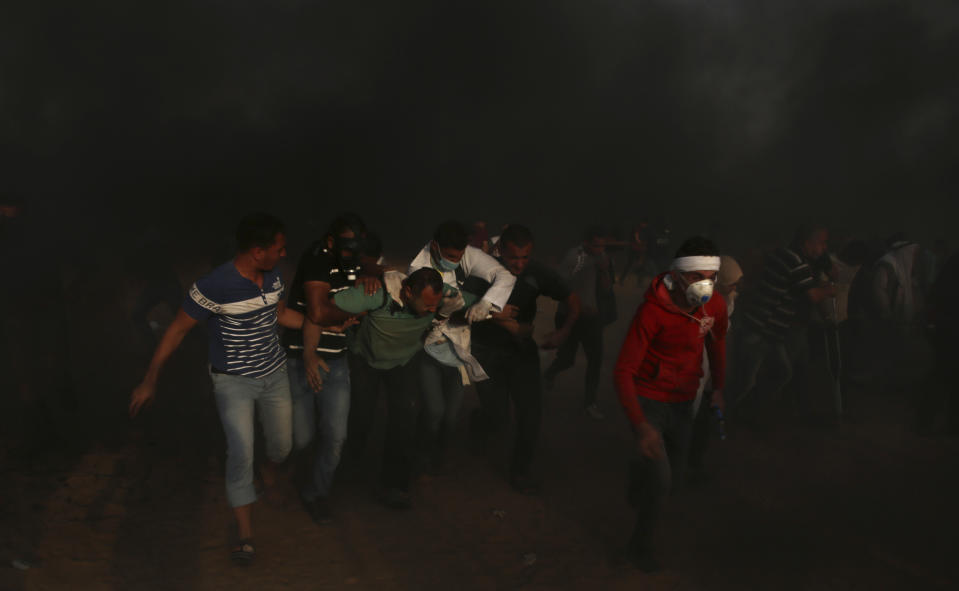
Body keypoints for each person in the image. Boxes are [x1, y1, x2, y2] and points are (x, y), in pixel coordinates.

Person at [128, 212, 304, 565]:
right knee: (240, 453)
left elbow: (280, 314)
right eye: (279, 248)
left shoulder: (273, 277)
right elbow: (177, 330)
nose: (284, 254)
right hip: (232, 381)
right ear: (258, 251)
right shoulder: (212, 286)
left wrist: (325, 326)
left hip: (274, 374)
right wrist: (150, 379)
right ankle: (245, 535)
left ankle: (269, 468)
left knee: (284, 445)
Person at [614, 236, 728, 572]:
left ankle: (640, 471)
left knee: (673, 481)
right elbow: (623, 371)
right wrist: (641, 424)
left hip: (684, 401)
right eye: (696, 277)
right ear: (677, 275)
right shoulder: (652, 311)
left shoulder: (715, 306)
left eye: (711, 276)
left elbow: (717, 345)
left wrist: (718, 387)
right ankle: (639, 547)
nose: (705, 285)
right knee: (662, 484)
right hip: (650, 399)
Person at [336, 268, 475, 508]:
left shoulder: (443, 297)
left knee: (404, 420)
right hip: (366, 360)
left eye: (436, 305)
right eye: (427, 305)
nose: (433, 311)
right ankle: (343, 473)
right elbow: (326, 305)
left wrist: (500, 313)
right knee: (361, 416)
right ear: (408, 292)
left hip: (403, 361)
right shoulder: (376, 295)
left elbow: (484, 303)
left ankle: (394, 485)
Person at [469, 224, 581, 493]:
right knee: (498, 416)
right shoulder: (481, 273)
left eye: (525, 257)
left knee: (531, 414)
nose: (519, 264)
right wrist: (503, 319)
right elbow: (463, 307)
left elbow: (571, 298)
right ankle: (480, 422)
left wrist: (564, 330)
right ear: (499, 252)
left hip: (521, 350)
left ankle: (520, 472)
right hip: (486, 350)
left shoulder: (536, 272)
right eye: (512, 258)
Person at [282, 213, 374, 524]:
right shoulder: (317, 258)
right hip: (299, 357)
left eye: (357, 250)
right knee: (303, 438)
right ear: (331, 242)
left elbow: (371, 273)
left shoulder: (356, 260)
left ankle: (316, 493)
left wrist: (370, 275)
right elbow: (318, 313)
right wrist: (352, 311)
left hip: (335, 358)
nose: (352, 256)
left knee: (335, 436)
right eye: (347, 249)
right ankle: (287, 470)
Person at [408, 221, 516, 470]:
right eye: (449, 257)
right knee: (434, 411)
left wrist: (487, 303)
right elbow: (449, 300)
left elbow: (505, 276)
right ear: (435, 247)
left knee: (450, 415)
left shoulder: (464, 254)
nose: (455, 261)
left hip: (458, 347)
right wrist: (492, 310)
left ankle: (438, 458)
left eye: (459, 257)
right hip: (428, 345)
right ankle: (419, 457)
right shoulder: (418, 268)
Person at [725, 223, 836, 419]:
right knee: (746, 380)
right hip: (762, 327)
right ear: (809, 242)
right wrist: (828, 290)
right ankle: (724, 417)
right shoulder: (797, 263)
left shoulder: (783, 254)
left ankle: (749, 412)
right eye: (822, 243)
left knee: (780, 371)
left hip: (765, 327)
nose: (824, 248)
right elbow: (812, 295)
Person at [544, 226, 615, 420]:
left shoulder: (603, 258)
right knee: (567, 358)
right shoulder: (574, 257)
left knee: (595, 361)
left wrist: (604, 271)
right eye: (596, 245)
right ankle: (548, 374)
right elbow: (559, 285)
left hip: (592, 320)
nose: (600, 249)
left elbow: (608, 289)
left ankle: (590, 402)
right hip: (570, 315)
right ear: (586, 243)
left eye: (603, 245)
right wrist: (580, 306)